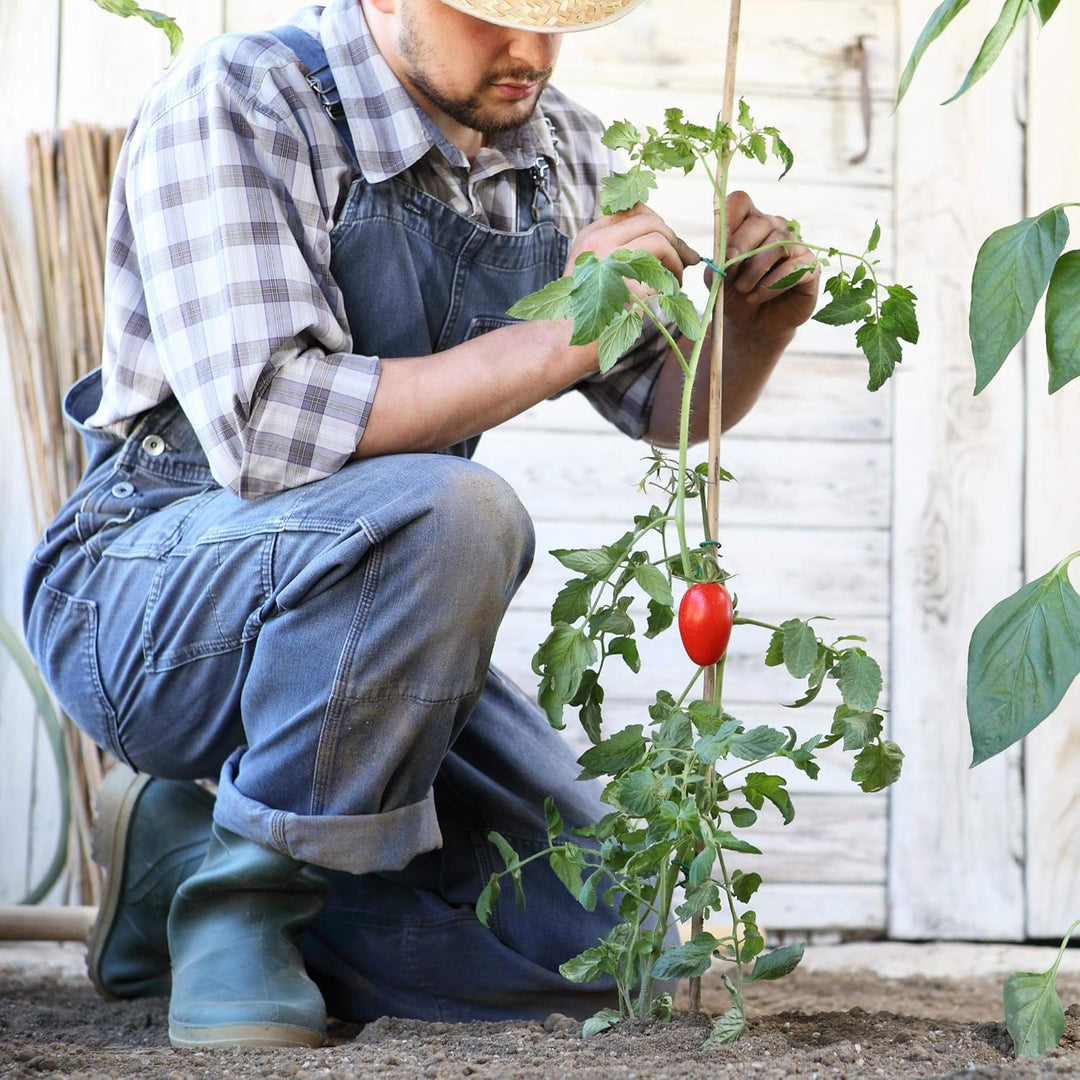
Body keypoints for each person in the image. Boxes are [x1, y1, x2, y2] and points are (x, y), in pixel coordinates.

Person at [22, 0, 820, 1051]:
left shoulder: (561, 149)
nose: (531, 51)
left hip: (383, 631)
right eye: (495, 12)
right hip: (149, 598)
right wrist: (565, 333)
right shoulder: (245, 97)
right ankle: (242, 908)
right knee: (459, 510)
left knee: (611, 948)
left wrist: (753, 332)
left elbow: (657, 406)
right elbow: (266, 429)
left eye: (558, 16)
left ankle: (180, 858)